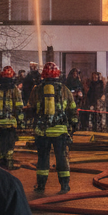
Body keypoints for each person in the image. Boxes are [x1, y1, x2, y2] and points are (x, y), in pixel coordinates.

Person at [30, 62, 76, 194]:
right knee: (61, 158)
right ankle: (64, 185)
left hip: (42, 131)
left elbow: (31, 108)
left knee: (43, 158)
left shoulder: (37, 89)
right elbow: (72, 108)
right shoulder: (64, 89)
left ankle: (41, 185)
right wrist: (73, 123)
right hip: (60, 131)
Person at [0, 66, 23, 170]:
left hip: (0, 121)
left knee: (2, 140)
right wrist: (20, 121)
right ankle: (9, 162)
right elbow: (18, 106)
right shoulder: (15, 90)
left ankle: (0, 161)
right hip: (11, 121)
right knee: (10, 142)